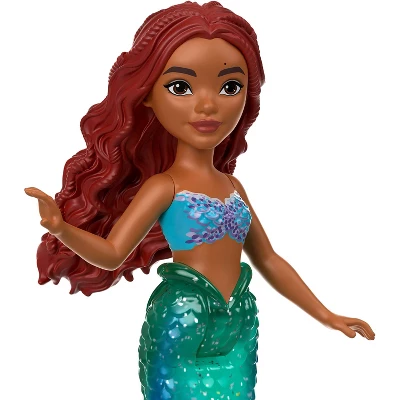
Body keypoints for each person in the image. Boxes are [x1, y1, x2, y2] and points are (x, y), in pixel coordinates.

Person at [24, 1, 375, 399]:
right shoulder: (164, 186)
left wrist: (326, 315)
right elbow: (112, 254)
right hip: (183, 318)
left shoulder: (233, 186)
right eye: (181, 87)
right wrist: (61, 229)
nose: (208, 105)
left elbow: (268, 260)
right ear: (147, 95)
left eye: (230, 87)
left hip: (240, 318)